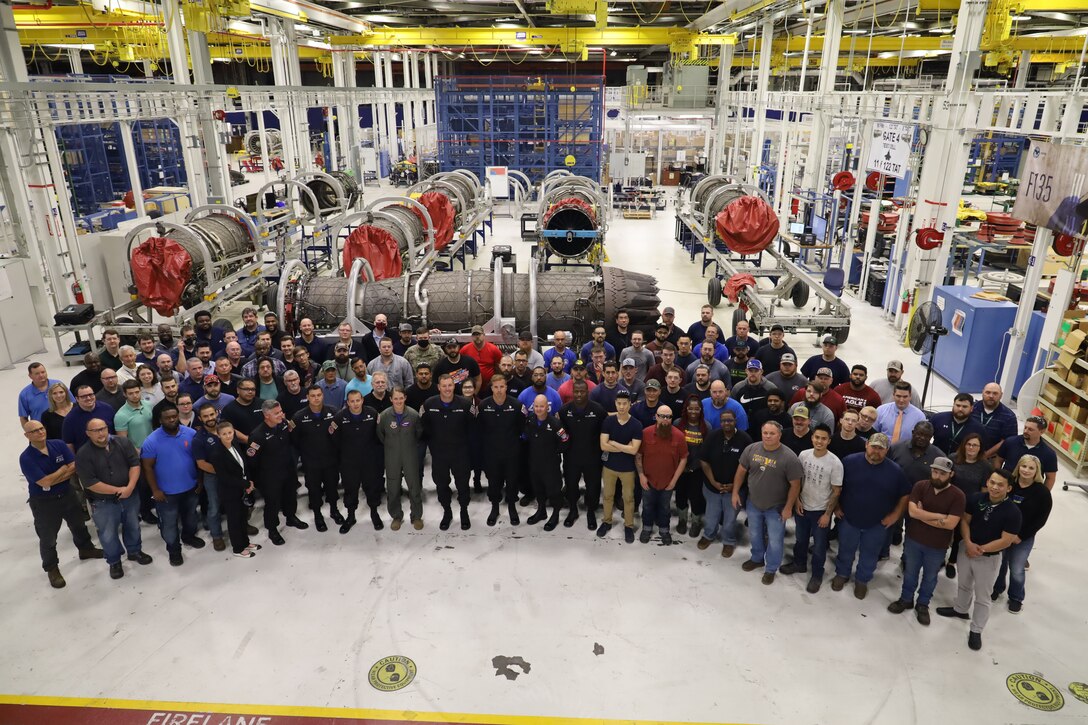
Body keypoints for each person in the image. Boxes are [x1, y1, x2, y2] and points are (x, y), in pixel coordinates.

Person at [936, 470, 1021, 651]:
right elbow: (965, 521)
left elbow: (1006, 540)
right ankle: (960, 609)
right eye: (992, 482)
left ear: (1009, 488)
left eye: (1000, 485)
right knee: (964, 584)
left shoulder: (1013, 512)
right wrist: (968, 543)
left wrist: (980, 549)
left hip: (988, 558)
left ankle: (976, 630)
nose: (995, 487)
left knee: (983, 596)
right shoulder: (975, 498)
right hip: (966, 550)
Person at [20, 421, 102, 587]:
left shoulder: (58, 444)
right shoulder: (26, 458)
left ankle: (85, 549)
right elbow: (45, 482)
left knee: (79, 525)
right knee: (48, 537)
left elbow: (74, 466)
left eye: (41, 428)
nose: (40, 432)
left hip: (67, 494)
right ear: (27, 435)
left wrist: (54, 478)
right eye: (34, 431)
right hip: (44, 503)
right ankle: (52, 568)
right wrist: (62, 470)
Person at [887, 457, 966, 626]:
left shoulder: (958, 496)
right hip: (914, 539)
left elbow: (951, 524)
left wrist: (923, 515)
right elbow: (913, 512)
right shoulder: (920, 486)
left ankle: (923, 605)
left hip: (937, 546)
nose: (937, 476)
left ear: (951, 474)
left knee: (930, 578)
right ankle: (906, 599)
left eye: (942, 473)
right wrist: (940, 517)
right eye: (935, 471)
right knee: (909, 573)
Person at [832, 433, 910, 599]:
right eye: (874, 446)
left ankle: (862, 580)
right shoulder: (849, 462)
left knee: (870, 554)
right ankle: (842, 574)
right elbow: (836, 485)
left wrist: (895, 515)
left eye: (881, 448)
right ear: (867, 445)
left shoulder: (895, 471)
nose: (876, 451)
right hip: (849, 518)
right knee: (845, 549)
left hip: (877, 523)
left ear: (886, 450)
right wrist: (836, 506)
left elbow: (905, 494)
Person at [75, 418, 153, 578]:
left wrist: (130, 487)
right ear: (88, 434)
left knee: (133, 525)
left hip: (130, 495)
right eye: (95, 431)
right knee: (108, 533)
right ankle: (114, 561)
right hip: (103, 502)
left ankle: (134, 551)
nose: (101, 433)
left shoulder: (123, 443)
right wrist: (118, 490)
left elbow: (134, 465)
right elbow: (90, 483)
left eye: (103, 428)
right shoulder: (83, 454)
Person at [733, 421, 803, 585]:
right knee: (755, 534)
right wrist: (735, 492)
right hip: (754, 503)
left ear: (779, 435)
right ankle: (757, 558)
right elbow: (741, 471)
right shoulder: (752, 449)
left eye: (772, 433)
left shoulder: (789, 457)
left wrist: (788, 507)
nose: (768, 436)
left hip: (776, 508)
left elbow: (795, 485)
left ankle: (771, 568)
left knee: (775, 540)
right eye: (765, 433)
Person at [782, 424, 842, 593]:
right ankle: (799, 564)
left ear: (829, 441)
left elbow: (837, 491)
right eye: (817, 437)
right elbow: (798, 480)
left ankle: (817, 574)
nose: (819, 441)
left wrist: (827, 514)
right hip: (802, 506)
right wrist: (797, 501)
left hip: (821, 511)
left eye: (823, 438)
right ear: (812, 438)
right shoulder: (803, 455)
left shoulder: (835, 463)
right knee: (800, 540)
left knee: (819, 546)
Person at [141, 406, 203, 566]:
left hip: (191, 488)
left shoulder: (190, 434)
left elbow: (199, 460)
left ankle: (189, 536)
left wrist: (200, 481)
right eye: (167, 418)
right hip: (166, 493)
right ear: (160, 420)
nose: (172, 420)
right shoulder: (151, 441)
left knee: (190, 517)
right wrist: (155, 490)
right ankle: (174, 550)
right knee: (169, 525)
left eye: (174, 416)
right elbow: (147, 467)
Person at [991, 455, 1053, 613]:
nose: (1026, 470)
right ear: (1018, 467)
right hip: (1002, 534)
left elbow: (1040, 520)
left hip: (1023, 538)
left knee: (1017, 568)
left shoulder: (1042, 493)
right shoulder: (1009, 485)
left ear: (1037, 471)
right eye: (1024, 466)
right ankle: (997, 589)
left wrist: (1021, 536)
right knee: (1000, 564)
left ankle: (1016, 597)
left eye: (1031, 468)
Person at [247, 400, 307, 545]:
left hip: (288, 470)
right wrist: (257, 481)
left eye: (281, 411)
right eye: (277, 413)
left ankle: (291, 517)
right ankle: (272, 529)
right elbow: (252, 462)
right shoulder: (257, 435)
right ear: (267, 415)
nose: (281, 415)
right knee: (272, 504)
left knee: (291, 496)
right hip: (270, 477)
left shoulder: (284, 424)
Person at [421, 374, 474, 530]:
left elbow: (472, 428)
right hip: (439, 455)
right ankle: (447, 512)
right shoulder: (429, 404)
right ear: (438, 387)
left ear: (454, 386)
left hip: (460, 454)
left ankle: (464, 511)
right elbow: (424, 427)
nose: (447, 389)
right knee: (441, 485)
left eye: (450, 385)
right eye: (444, 386)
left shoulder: (465, 404)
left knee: (463, 485)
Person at [698, 407, 752, 557]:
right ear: (720, 422)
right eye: (723, 420)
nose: (726, 423)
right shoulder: (712, 436)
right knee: (711, 515)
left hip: (734, 490)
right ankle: (709, 535)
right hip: (712, 487)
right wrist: (713, 482)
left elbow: (749, 467)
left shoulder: (745, 439)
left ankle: (728, 541)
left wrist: (735, 486)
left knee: (730, 519)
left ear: (735, 421)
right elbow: (704, 461)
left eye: (729, 420)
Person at [291, 386, 344, 531]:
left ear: (323, 396)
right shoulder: (299, 417)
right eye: (313, 395)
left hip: (331, 460)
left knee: (332, 487)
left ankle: (334, 510)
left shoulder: (333, 412)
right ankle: (318, 515)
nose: (316, 398)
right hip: (311, 462)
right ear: (307, 397)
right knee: (314, 490)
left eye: (319, 395)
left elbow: (340, 433)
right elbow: (295, 440)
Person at [333, 390, 384, 533]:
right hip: (349, 461)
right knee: (350, 488)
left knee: (372, 487)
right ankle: (350, 516)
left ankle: (374, 512)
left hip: (369, 460)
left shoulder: (372, 414)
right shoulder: (339, 417)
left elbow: (378, 435)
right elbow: (334, 440)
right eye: (352, 401)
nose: (355, 404)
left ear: (362, 400)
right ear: (347, 402)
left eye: (357, 400)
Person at [478, 374, 525, 526]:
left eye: (502, 387)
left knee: (512, 481)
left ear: (507, 387)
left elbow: (521, 427)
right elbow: (479, 428)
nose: (499, 390)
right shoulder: (483, 406)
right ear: (491, 388)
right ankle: (495, 508)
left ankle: (512, 507)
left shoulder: (517, 405)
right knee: (493, 482)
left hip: (511, 452)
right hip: (491, 453)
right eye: (496, 387)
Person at [597, 390, 643, 543]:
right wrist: (625, 447)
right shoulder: (608, 421)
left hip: (628, 469)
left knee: (628, 499)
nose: (622, 406)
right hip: (609, 466)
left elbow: (634, 450)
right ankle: (607, 521)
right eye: (619, 403)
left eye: (625, 403)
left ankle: (628, 526)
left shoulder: (636, 425)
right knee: (608, 496)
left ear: (630, 404)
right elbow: (603, 445)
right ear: (615, 404)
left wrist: (614, 443)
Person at [558, 380, 605, 531]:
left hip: (592, 457)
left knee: (593, 487)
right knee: (571, 485)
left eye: (582, 391)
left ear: (587, 392)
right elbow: (561, 433)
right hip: (571, 457)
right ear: (572, 392)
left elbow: (604, 433)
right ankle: (573, 510)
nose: (578, 394)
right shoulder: (565, 410)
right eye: (576, 391)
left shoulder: (598, 410)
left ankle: (591, 511)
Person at [636, 405, 686, 545]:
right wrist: (641, 475)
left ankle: (664, 530)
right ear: (656, 417)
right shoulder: (645, 433)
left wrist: (674, 481)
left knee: (665, 508)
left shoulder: (679, 436)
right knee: (647, 506)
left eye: (669, 417)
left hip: (668, 482)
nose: (665, 419)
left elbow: (683, 458)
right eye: (662, 416)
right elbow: (639, 455)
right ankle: (646, 528)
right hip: (648, 480)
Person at [206, 421, 258, 558]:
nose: (228, 436)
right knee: (234, 520)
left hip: (242, 488)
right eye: (224, 434)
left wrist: (249, 482)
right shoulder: (216, 453)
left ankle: (245, 542)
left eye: (230, 433)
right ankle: (238, 548)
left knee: (242, 517)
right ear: (218, 435)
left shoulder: (234, 444)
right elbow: (225, 477)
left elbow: (243, 464)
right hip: (230, 492)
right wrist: (245, 484)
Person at [946, 432, 992, 579]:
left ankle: (952, 562)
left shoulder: (985, 466)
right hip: (950, 503)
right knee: (944, 532)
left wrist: (979, 509)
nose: (971, 447)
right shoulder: (953, 459)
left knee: (960, 535)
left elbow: (984, 491)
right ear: (964, 445)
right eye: (969, 444)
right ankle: (940, 557)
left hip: (969, 506)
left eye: (975, 445)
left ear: (980, 448)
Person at [377, 387, 424, 530]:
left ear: (405, 398)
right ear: (391, 399)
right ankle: (396, 516)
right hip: (392, 456)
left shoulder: (413, 415)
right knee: (393, 487)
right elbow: (380, 435)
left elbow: (419, 434)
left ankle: (416, 516)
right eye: (395, 398)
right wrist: (392, 447)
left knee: (414, 486)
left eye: (401, 398)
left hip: (410, 455)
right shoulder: (384, 416)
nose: (398, 401)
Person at [523, 394, 569, 530]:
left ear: (547, 407)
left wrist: (555, 451)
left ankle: (555, 514)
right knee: (538, 489)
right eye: (536, 406)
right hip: (535, 463)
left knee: (553, 490)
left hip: (551, 465)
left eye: (541, 406)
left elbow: (565, 440)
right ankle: (541, 511)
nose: (538, 409)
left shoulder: (555, 423)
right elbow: (526, 437)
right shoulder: (530, 420)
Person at [994, 415, 1057, 490]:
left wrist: (1044, 495)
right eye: (1025, 427)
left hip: (1031, 491)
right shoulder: (1010, 442)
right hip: (1007, 486)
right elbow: (998, 461)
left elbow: (1050, 478)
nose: (1025, 431)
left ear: (1042, 431)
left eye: (1030, 429)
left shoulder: (1049, 454)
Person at [62, 385, 116, 453]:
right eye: (83, 396)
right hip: (86, 458)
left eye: (91, 394)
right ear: (77, 399)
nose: (88, 398)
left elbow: (116, 432)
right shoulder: (70, 419)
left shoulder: (107, 409)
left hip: (111, 453)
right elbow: (69, 444)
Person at [460, 325, 503, 391]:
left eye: (479, 334)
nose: (477, 337)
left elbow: (500, 365)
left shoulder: (493, 349)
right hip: (471, 387)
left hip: (489, 386)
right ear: (472, 337)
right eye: (474, 335)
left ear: (484, 335)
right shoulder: (465, 350)